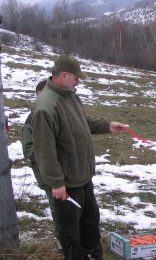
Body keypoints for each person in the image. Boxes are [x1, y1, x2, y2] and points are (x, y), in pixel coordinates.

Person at [32, 55, 125, 260]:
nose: (79, 81)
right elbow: (44, 151)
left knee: (91, 223)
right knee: (71, 234)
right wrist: (56, 183)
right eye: (76, 77)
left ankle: (94, 256)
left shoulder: (70, 94)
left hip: (83, 177)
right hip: (66, 185)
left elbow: (84, 121)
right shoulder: (46, 107)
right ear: (64, 75)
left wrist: (107, 126)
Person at [22, 79, 62, 251]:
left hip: (62, 169)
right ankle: (62, 240)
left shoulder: (55, 112)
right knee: (57, 206)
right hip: (46, 172)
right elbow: (28, 149)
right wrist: (46, 156)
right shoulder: (33, 118)